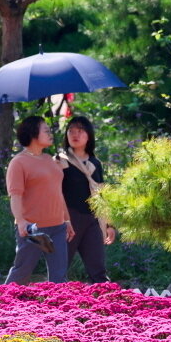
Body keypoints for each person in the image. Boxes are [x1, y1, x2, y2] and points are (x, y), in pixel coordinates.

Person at [5, 115, 74, 284]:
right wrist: (21, 221)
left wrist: (67, 220)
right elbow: (15, 195)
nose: (51, 134)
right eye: (46, 131)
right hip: (32, 228)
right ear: (33, 133)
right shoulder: (18, 162)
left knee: (60, 276)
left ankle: (59, 309)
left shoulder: (49, 160)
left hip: (57, 227)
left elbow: (58, 192)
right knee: (22, 272)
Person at [56, 116, 116, 283]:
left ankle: (106, 305)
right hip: (69, 219)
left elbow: (102, 194)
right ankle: (50, 304)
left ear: (88, 135)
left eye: (80, 131)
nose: (75, 135)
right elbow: (54, 192)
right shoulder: (61, 160)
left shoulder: (95, 163)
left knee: (98, 270)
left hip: (93, 220)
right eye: (71, 131)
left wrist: (110, 224)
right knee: (59, 269)